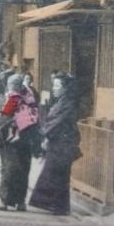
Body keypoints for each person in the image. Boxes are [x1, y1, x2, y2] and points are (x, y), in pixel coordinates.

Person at [29, 72, 81, 215]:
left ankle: (59, 206)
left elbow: (57, 122)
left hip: (63, 142)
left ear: (66, 88)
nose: (54, 88)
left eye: (57, 86)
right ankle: (58, 206)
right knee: (56, 173)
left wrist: (46, 136)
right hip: (57, 141)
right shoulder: (61, 101)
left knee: (57, 173)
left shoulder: (69, 103)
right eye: (54, 85)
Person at [0, 74, 33, 212]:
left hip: (11, 140)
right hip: (22, 139)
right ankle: (18, 201)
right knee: (20, 170)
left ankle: (8, 200)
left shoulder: (13, 99)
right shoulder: (28, 97)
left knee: (9, 169)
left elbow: (3, 118)